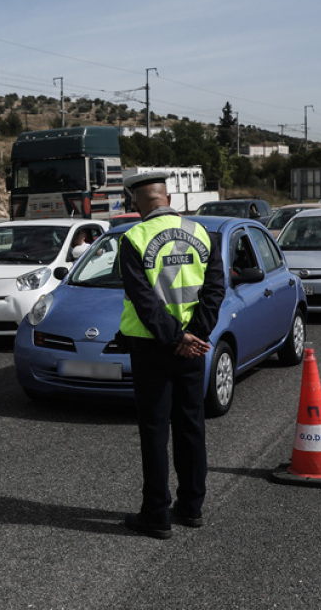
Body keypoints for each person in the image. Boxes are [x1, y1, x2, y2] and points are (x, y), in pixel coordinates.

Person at [116, 170, 225, 540]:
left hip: (151, 348)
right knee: (191, 425)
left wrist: (174, 338)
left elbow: (144, 302)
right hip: (193, 347)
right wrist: (194, 337)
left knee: (154, 431)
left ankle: (157, 514)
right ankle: (192, 507)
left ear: (137, 203)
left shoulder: (133, 238)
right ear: (167, 198)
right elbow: (214, 291)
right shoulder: (204, 235)